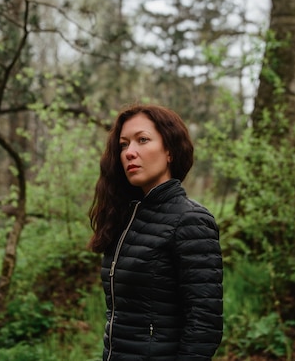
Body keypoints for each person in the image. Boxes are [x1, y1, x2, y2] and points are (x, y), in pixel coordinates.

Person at [88, 104, 223, 361]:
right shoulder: (126, 219)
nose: (130, 152)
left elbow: (204, 324)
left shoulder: (191, 221)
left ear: (170, 151)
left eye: (143, 140)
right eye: (124, 144)